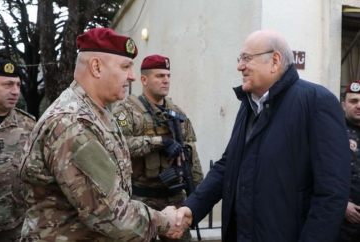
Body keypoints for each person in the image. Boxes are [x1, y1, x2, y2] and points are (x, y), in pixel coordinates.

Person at [176, 29, 351, 242]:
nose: (240, 66)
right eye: (240, 58)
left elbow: (332, 193)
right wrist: (192, 208)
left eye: (247, 58)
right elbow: (227, 166)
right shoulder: (248, 106)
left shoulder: (316, 102)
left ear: (275, 61)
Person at [19, 28, 190, 242]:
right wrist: (165, 221)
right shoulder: (72, 123)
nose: (133, 76)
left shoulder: (99, 113)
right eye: (125, 66)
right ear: (96, 67)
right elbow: (110, 214)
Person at [112, 55, 204, 242]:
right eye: (160, 76)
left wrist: (198, 197)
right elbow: (119, 146)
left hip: (175, 199)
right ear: (144, 80)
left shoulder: (178, 114)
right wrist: (160, 142)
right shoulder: (126, 112)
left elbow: (191, 155)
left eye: (168, 76)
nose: (166, 80)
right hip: (141, 202)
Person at [0, 59, 36, 242]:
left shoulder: (29, 126)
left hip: (15, 229)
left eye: (18, 85)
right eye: (7, 84)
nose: (15, 91)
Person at [338, 81, 360, 241]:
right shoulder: (333, 133)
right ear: (343, 105)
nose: (359, 106)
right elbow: (320, 174)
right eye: (354, 101)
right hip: (345, 220)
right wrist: (342, 204)